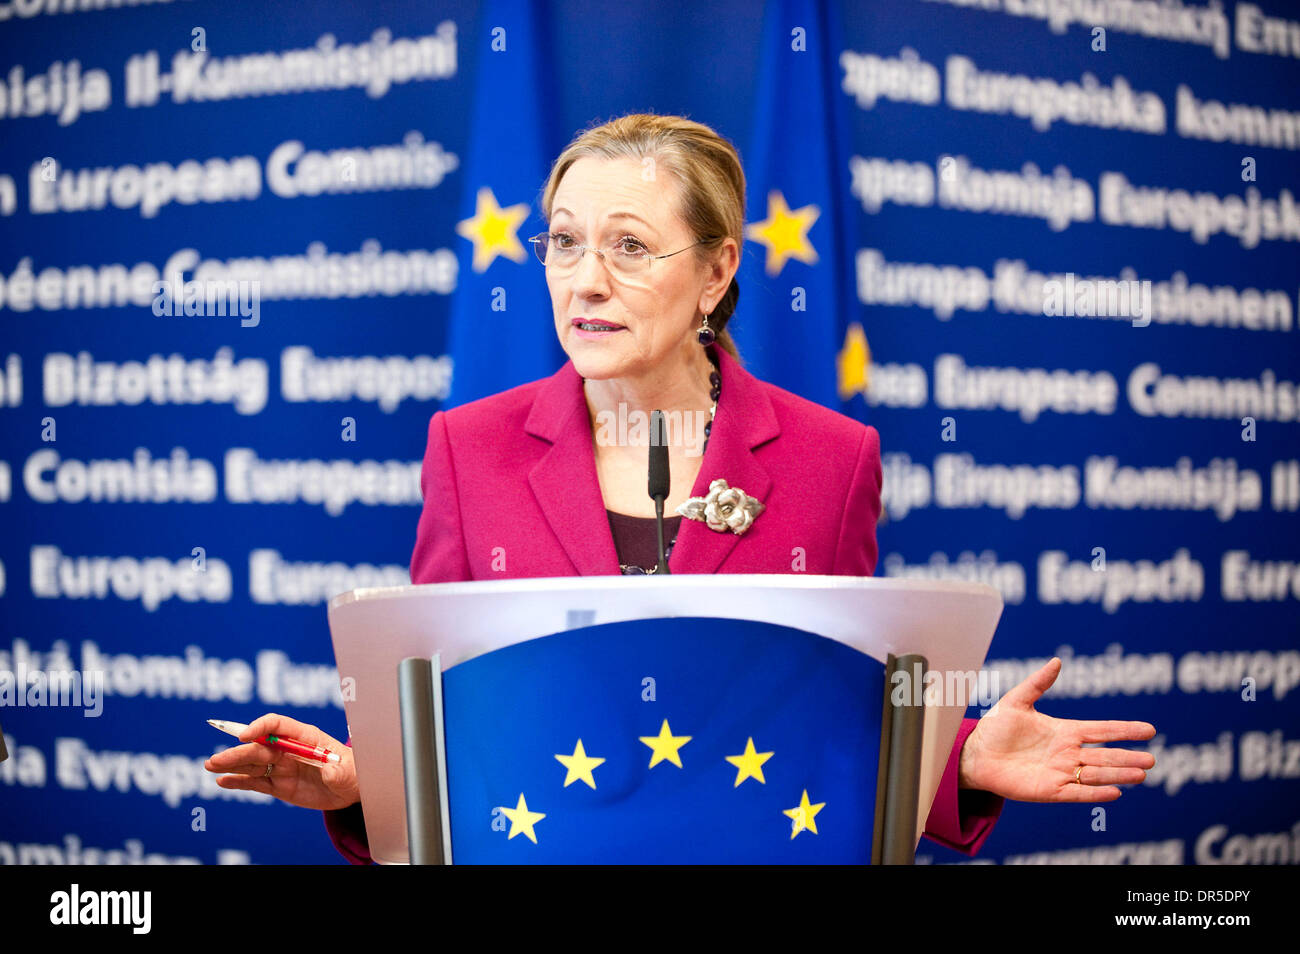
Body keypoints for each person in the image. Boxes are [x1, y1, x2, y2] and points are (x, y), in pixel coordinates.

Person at [205, 113, 1156, 863]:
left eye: (628, 248)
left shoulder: (833, 458)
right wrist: (362, 779)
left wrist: (963, 756)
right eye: (565, 243)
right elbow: (445, 706)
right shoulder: (469, 447)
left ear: (716, 271)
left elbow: (843, 707)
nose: (584, 282)